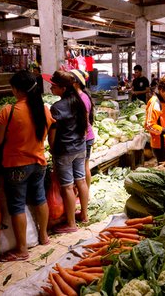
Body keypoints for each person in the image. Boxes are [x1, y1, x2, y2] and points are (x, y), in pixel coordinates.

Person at [0, 70, 54, 262]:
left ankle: (22, 249)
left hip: (17, 165)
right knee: (39, 198)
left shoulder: (8, 112)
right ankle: (44, 237)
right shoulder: (44, 109)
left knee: (17, 205)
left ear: (17, 89)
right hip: (39, 162)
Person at [48, 71, 89, 233]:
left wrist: (52, 148)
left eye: (54, 86)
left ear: (63, 88)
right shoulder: (79, 100)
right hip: (80, 148)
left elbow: (53, 133)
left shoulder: (57, 107)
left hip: (64, 150)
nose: (51, 88)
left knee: (67, 186)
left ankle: (71, 224)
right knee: (81, 180)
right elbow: (86, 124)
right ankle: (84, 215)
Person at [71, 69, 96, 207]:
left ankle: (85, 195)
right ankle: (85, 194)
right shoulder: (81, 96)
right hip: (86, 136)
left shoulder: (81, 98)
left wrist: (81, 136)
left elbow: (84, 121)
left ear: (75, 82)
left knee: (85, 167)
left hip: (85, 137)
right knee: (85, 167)